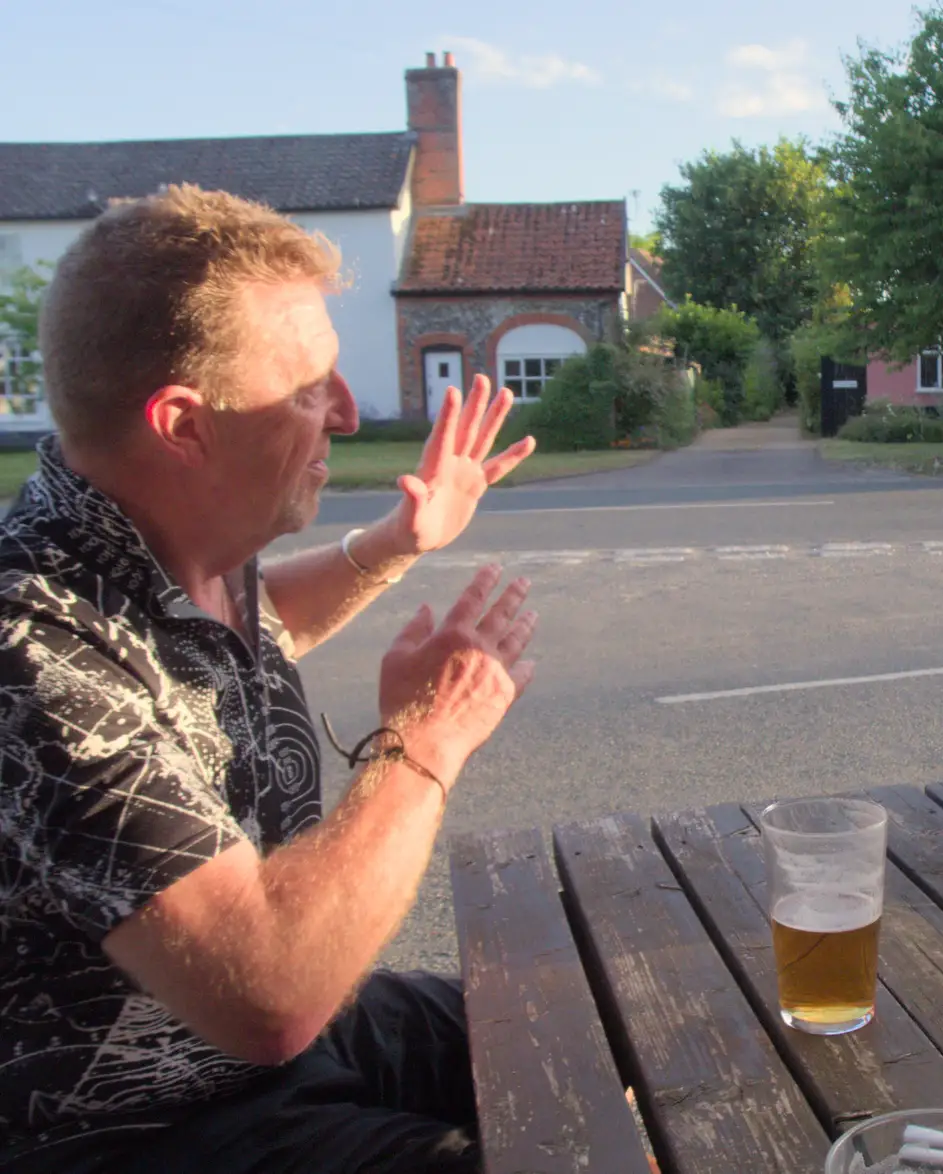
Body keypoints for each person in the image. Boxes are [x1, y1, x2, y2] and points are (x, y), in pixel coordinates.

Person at [0, 185, 541, 1173]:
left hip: (257, 1060)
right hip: (136, 1120)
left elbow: (236, 635)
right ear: (183, 425)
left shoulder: (168, 539)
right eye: (308, 389)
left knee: (578, 1026)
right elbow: (272, 994)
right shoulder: (31, 656)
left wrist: (394, 545)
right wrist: (420, 741)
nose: (347, 410)